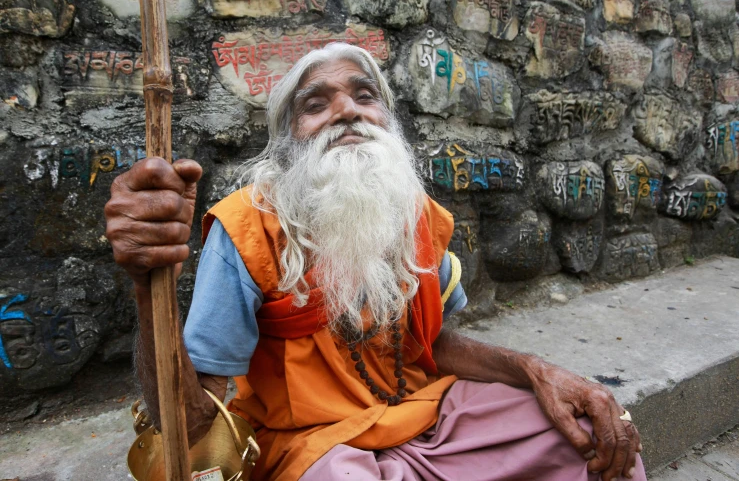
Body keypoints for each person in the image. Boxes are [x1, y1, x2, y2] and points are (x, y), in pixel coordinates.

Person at [105, 43, 647, 481]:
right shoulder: (247, 229)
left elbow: (433, 344)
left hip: (422, 409)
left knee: (585, 431)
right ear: (286, 143)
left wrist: (539, 371)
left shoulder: (414, 213)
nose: (346, 110)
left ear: (388, 119)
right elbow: (191, 421)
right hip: (312, 443)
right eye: (315, 105)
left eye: (365, 96)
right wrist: (145, 283)